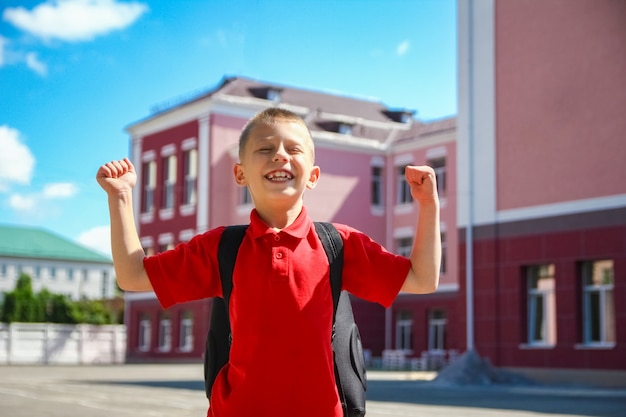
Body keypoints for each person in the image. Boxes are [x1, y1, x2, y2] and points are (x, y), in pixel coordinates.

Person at [96, 107, 441, 417]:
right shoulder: (221, 247)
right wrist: (121, 197)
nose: (280, 156)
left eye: (293, 149)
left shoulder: (340, 245)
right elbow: (134, 276)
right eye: (264, 149)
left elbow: (422, 279)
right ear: (240, 173)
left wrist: (428, 205)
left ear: (313, 176)